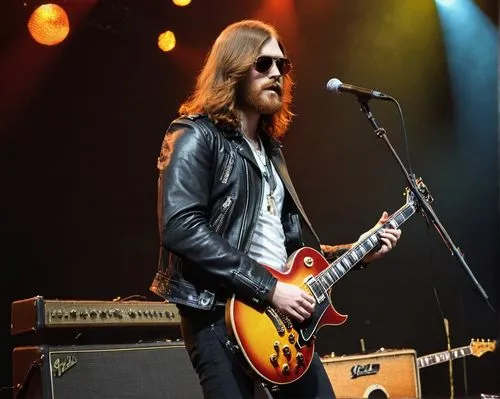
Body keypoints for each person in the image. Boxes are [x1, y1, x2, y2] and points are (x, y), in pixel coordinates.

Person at [150, 19, 401, 399]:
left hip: (280, 322)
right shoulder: (194, 133)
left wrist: (359, 249)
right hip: (218, 315)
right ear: (232, 68)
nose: (276, 74)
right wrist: (270, 289)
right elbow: (180, 226)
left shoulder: (271, 152)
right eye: (263, 64)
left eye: (282, 66)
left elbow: (287, 256)